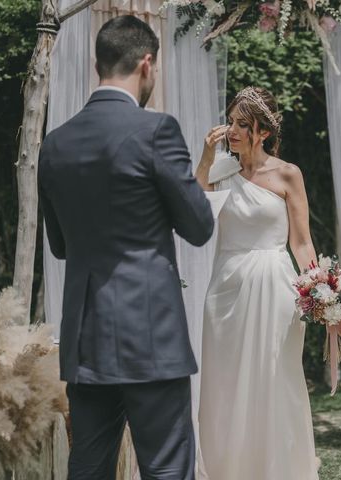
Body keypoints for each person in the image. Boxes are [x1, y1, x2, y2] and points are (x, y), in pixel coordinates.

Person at [38, 15, 214, 480]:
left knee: (89, 468)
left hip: (86, 338)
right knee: (167, 469)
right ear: (147, 63)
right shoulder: (156, 131)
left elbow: (59, 245)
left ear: (99, 64)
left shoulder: (54, 144)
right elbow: (198, 226)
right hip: (151, 334)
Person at [196, 87, 320, 479]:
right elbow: (195, 207)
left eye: (241, 124)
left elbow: (301, 242)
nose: (231, 130)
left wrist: (322, 292)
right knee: (225, 385)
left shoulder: (287, 174)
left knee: (274, 380)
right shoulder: (221, 171)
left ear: (262, 132)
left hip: (275, 288)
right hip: (226, 289)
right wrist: (205, 157)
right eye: (230, 121)